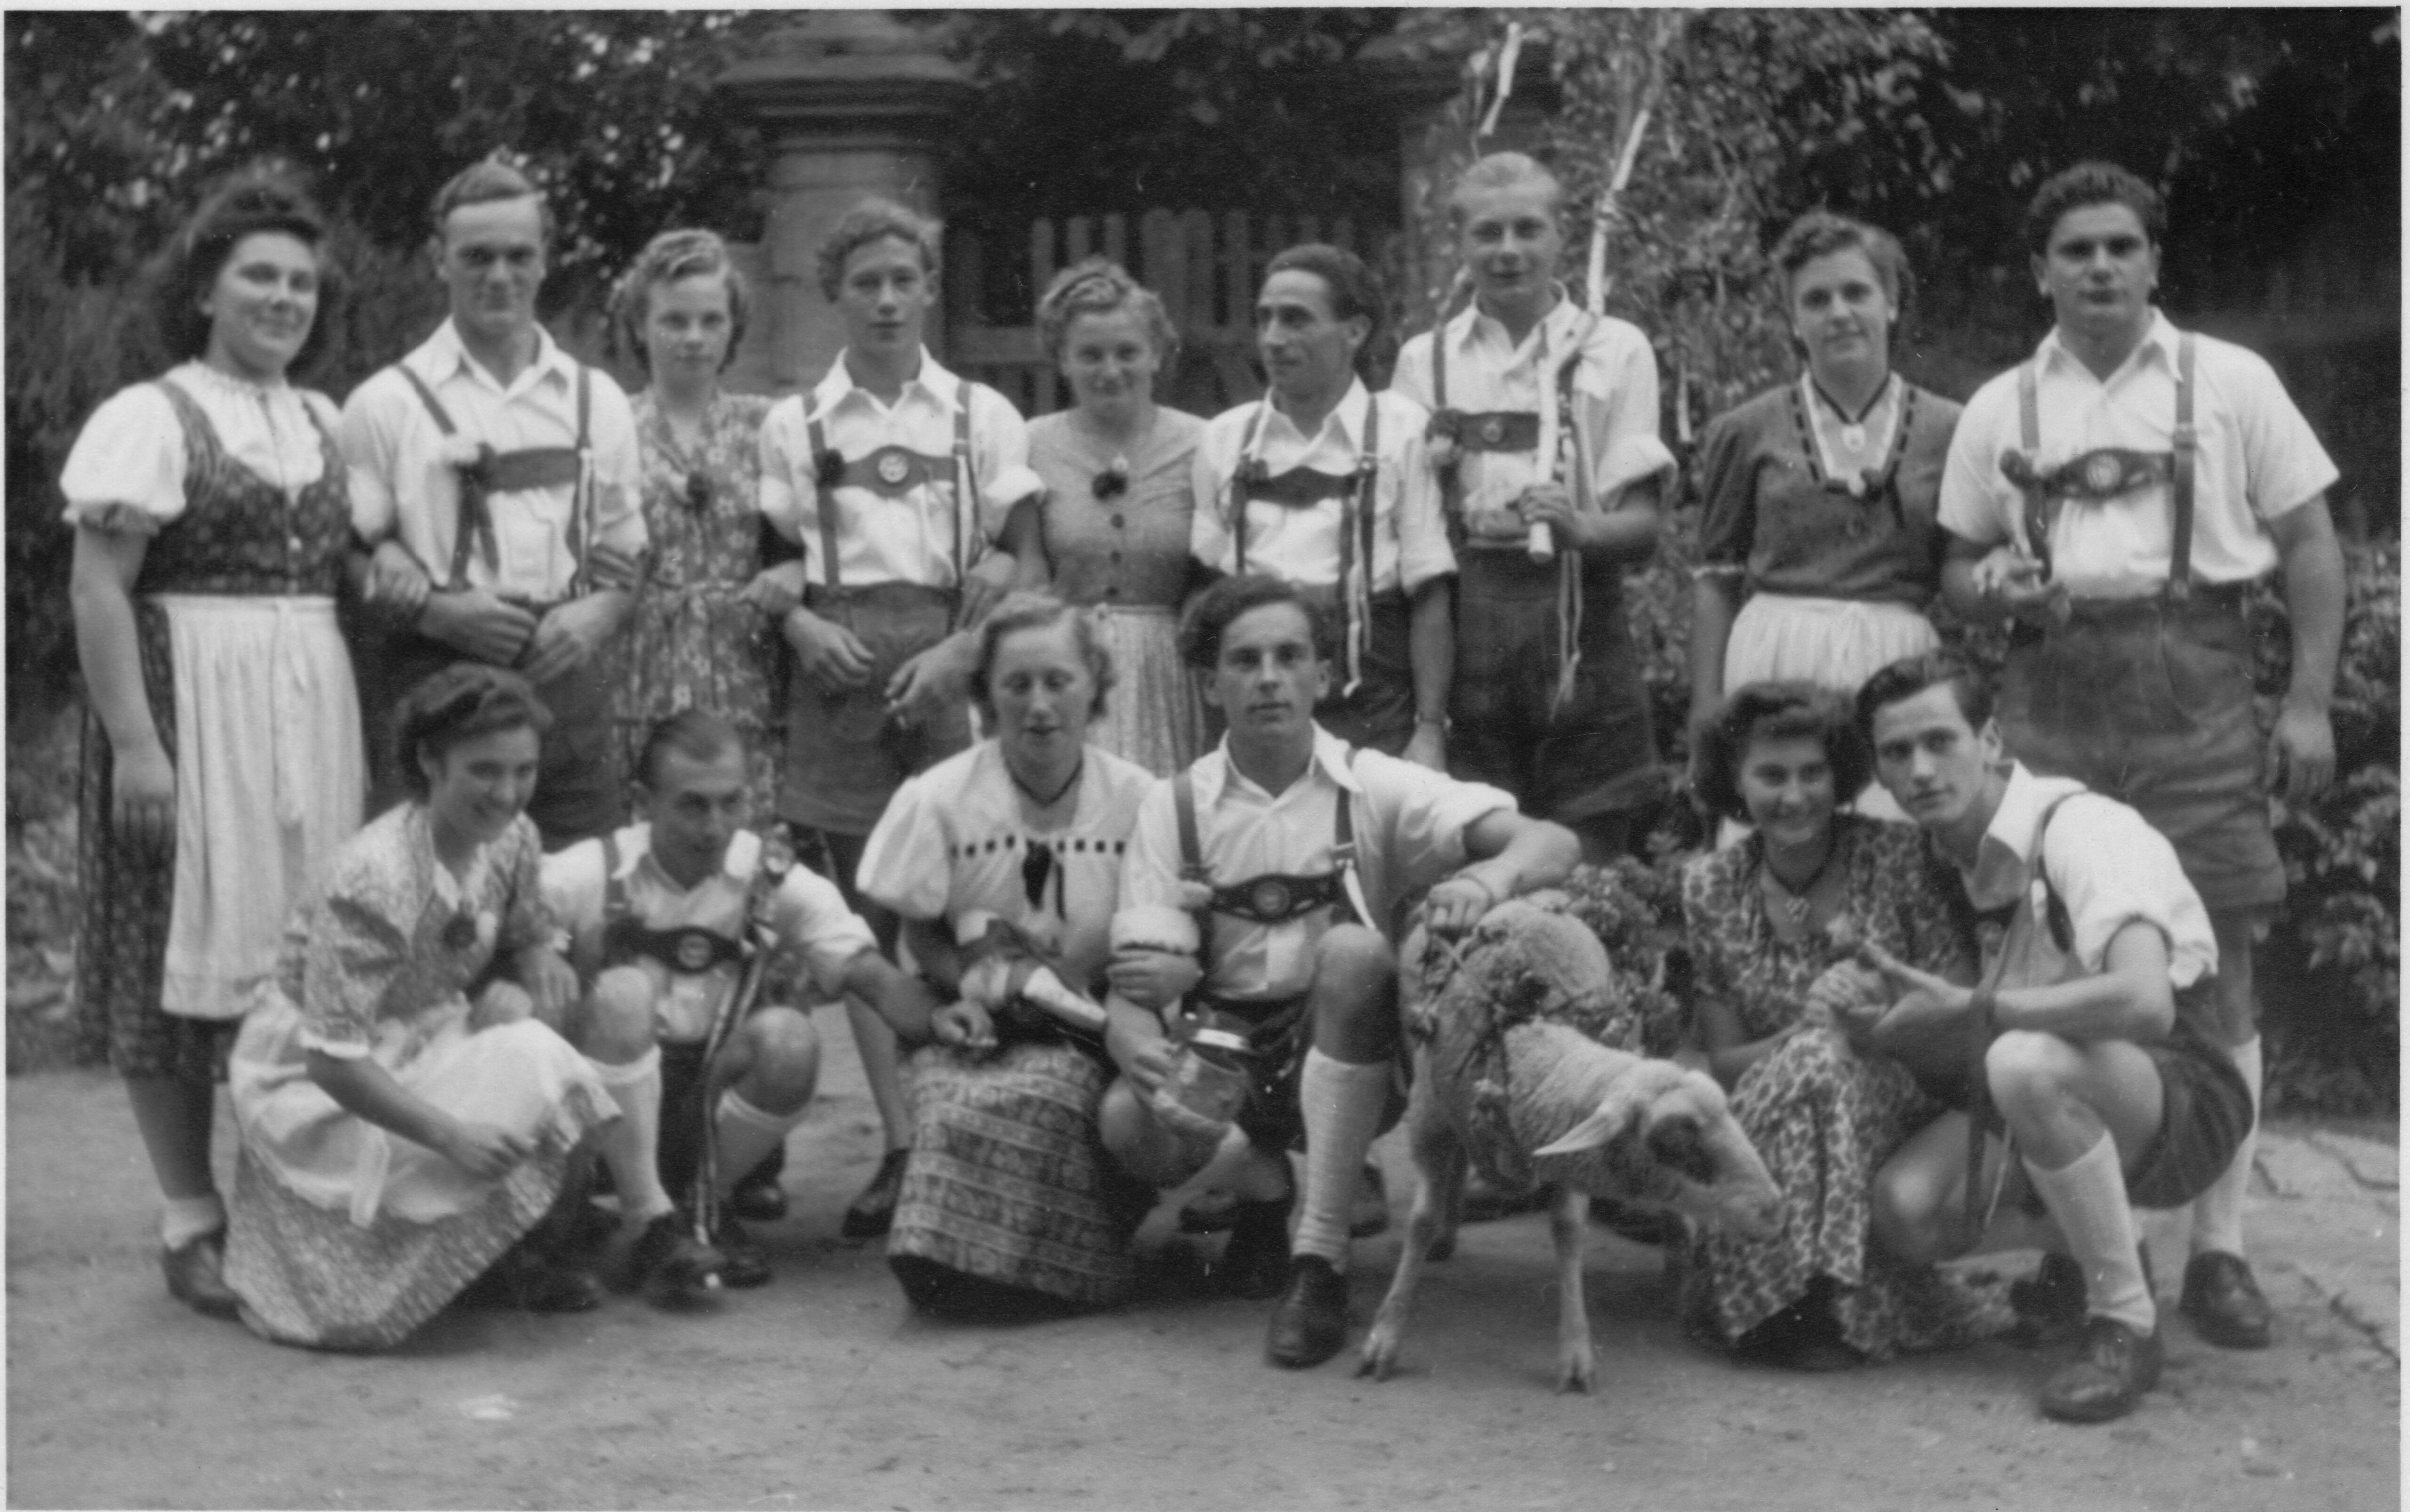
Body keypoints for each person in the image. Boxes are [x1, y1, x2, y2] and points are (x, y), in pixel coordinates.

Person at [1936, 162, 2344, 1351]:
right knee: (2058, 954)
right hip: (2052, 687)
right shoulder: (2000, 405)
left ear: (2154, 260)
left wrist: (2307, 702)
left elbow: (2309, 542)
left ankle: (2219, 1248)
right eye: (2076, 250)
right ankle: (2080, 1251)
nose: (2101, 267)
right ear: (2039, 271)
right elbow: (1956, 567)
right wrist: (1991, 586)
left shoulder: (2231, 380)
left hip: (2193, 682)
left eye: (2121, 246)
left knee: (2220, 963)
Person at [1101, 575, 1581, 1370]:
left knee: (1355, 952)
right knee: (1127, 1121)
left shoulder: (1373, 783)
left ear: (1323, 675)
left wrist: (1486, 879)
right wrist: (1135, 1044)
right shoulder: (1173, 805)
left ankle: (1318, 1258)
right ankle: (1263, 1195)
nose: (1269, 679)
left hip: (1348, 1037)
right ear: (1211, 685)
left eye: (1289, 657)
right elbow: (1138, 976)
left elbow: (1552, 842)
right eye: (1245, 661)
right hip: (1223, 1050)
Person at [64, 170, 372, 1320]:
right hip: (189, 704)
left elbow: (354, 559)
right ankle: (190, 1214)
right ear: (205, 290)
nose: (283, 298)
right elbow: (98, 588)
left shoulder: (325, 420)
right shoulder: (151, 416)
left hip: (310, 701)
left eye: (301, 282)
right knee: (172, 950)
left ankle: (288, 1198)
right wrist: (136, 746)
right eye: (259, 276)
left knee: (300, 948)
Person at [1854, 651, 2251, 1423]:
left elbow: (2146, 1003)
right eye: (1896, 752)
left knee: (2022, 1059)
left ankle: (2125, 1321)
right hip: (2056, 1082)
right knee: (1906, 1210)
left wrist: (1976, 1007)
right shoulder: (1941, 856)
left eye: (1940, 741)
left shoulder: (2082, 828)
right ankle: (2095, 1241)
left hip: (2182, 1093)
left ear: (1990, 739)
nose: (1921, 770)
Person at [756, 197, 1045, 1240]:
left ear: (928, 289)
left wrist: (963, 652)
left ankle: (984, 1132)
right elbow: (773, 567)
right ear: (835, 296)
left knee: (971, 907)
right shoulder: (795, 423)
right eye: (865, 283)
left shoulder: (980, 412)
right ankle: (902, 1142)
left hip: (949, 661)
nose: (886, 300)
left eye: (903, 280)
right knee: (868, 915)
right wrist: (802, 629)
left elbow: (1027, 560)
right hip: (840, 672)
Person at [223, 667, 621, 1350]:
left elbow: (527, 928)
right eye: (484, 771)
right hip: (320, 1073)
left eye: (523, 771)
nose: (507, 793)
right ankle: (433, 1261)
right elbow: (331, 1059)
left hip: (423, 1029)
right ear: (429, 762)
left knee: (545, 1047)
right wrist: (450, 1134)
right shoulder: (375, 876)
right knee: (525, 1065)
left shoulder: (513, 837)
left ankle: (523, 1252)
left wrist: (535, 964)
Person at [542, 710, 946, 1298]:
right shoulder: (587, 872)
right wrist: (539, 958)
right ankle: (634, 1214)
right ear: (642, 802)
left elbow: (868, 973)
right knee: (622, 994)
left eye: (730, 803)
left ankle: (701, 1207)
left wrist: (944, 1018)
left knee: (788, 1039)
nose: (715, 826)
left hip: (706, 1109)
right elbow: (506, 944)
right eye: (692, 805)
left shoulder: (768, 876)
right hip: (604, 1118)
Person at [855, 595, 1161, 1317]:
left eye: (1059, 682)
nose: (1040, 706)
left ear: (1094, 687)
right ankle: (949, 1262)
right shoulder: (940, 797)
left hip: (1096, 1024)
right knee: (956, 1101)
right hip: (974, 1018)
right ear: (986, 697)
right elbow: (917, 932)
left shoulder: (1139, 799)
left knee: (1052, 1094)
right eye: (1016, 686)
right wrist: (971, 983)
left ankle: (1056, 1273)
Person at [1682, 682, 2000, 1368]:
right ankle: (1802, 1297)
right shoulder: (1709, 886)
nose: (1794, 796)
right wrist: (1808, 1031)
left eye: (1813, 773)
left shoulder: (1901, 856)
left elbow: (1959, 1015)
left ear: (1841, 776)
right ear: (1735, 781)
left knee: (1823, 1063)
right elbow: (1725, 1065)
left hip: (1904, 1100)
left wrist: (1877, 1023)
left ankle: (1791, 1302)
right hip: (1777, 1101)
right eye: (1771, 776)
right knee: (1814, 1061)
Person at [343, 158, 645, 849]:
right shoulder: (385, 403)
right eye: (477, 257)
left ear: (545, 260)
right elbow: (350, 558)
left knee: (580, 885)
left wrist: (600, 613)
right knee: (430, 889)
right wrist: (437, 612)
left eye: (519, 256)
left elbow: (627, 551)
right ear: (439, 261)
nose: (500, 276)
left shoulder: (596, 399)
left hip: (561, 678)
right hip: (436, 680)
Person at [1392, 152, 1676, 860]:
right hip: (1470, 648)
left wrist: (1578, 526)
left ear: (1561, 236)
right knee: (1481, 858)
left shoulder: (1614, 349)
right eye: (1487, 233)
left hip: (1581, 637)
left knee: (1596, 860)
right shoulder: (1424, 361)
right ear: (1459, 243)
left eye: (1527, 229)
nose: (1508, 251)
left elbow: (1643, 529)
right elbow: (1413, 537)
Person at [1690, 212, 1962, 826]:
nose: (1838, 312)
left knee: (1895, 835)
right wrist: (1706, 710)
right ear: (1793, 319)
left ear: (1891, 303)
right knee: (1782, 830)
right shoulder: (1746, 429)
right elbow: (1716, 577)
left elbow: (1962, 564)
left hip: (1895, 658)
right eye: (1816, 300)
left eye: (1856, 292)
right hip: (1775, 655)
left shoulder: (1952, 428)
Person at [1189, 245, 1455, 766]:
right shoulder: (1225, 437)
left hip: (1374, 709)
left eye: (1295, 319)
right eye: (1264, 318)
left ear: (1354, 332)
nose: (1273, 338)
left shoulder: (1401, 429)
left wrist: (1429, 730)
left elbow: (1429, 592)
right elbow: (1205, 588)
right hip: (1256, 706)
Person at [602, 228, 787, 819]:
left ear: (733, 328)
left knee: (740, 830)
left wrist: (793, 571)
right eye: (674, 321)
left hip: (742, 664)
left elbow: (812, 535)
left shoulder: (768, 426)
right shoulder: (610, 424)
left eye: (711, 321)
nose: (693, 337)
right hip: (641, 663)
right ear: (639, 325)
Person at [1018, 257, 1211, 775]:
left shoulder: (1203, 444)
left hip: (1165, 667)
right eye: (1090, 355)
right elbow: (1015, 557)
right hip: (1063, 664)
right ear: (1062, 360)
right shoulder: (1031, 444)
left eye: (1127, 352)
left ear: (1156, 355)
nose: (1110, 371)